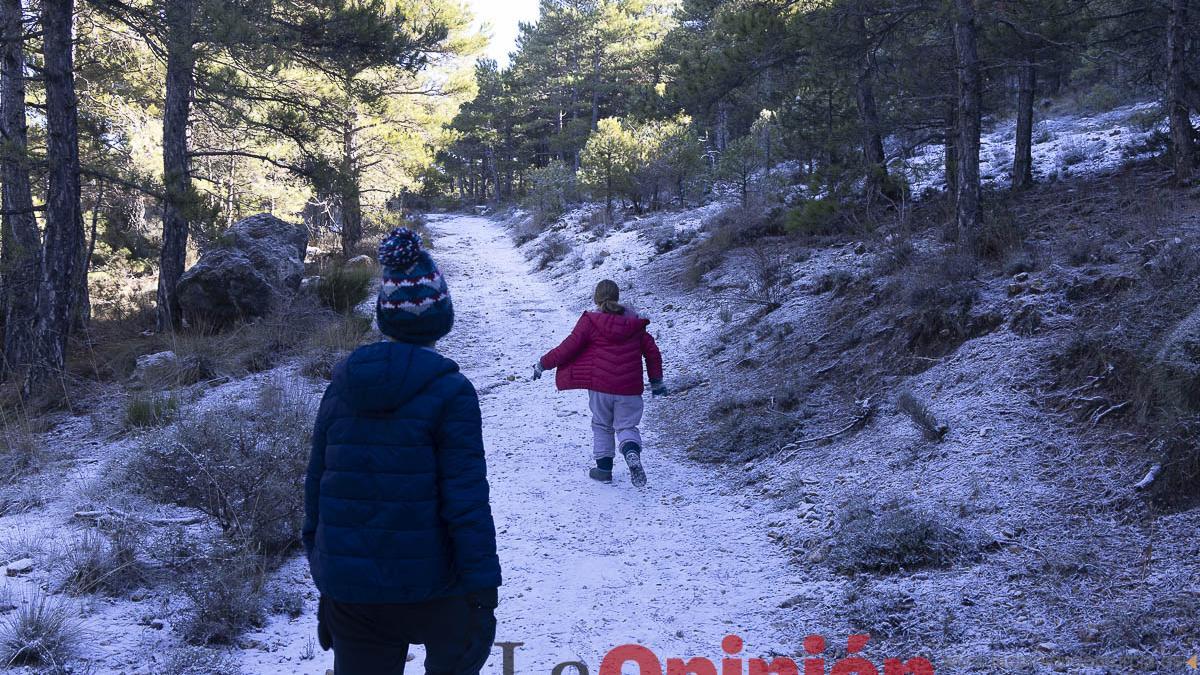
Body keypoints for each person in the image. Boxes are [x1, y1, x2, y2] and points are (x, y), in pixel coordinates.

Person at [303, 228, 501, 675]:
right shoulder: (451, 392)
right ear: (441, 318)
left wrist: (327, 575)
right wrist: (483, 592)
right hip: (437, 586)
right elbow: (466, 499)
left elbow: (316, 488)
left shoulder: (340, 387)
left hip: (352, 592)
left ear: (385, 318)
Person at [533, 279, 666, 487]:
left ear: (596, 298)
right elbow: (652, 353)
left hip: (600, 388)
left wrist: (543, 363)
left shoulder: (590, 321)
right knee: (627, 425)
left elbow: (568, 347)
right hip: (629, 389)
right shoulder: (635, 324)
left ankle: (604, 470)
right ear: (617, 297)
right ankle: (630, 451)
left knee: (602, 425)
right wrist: (656, 381)